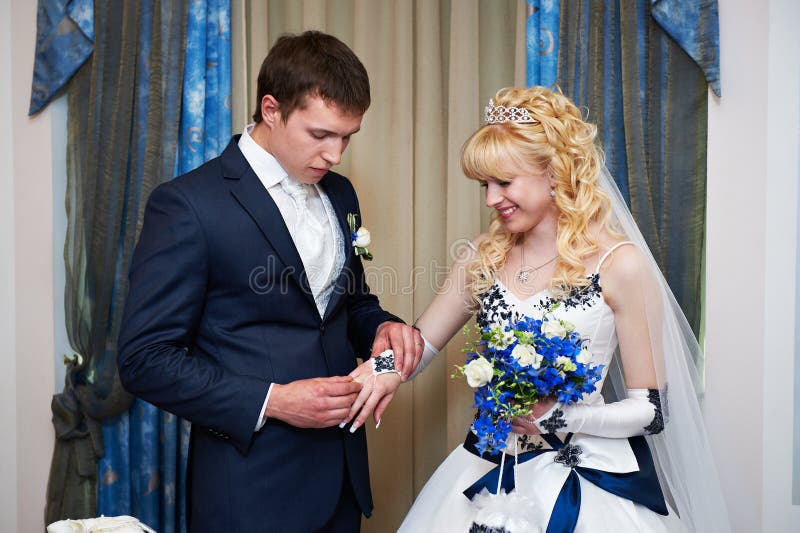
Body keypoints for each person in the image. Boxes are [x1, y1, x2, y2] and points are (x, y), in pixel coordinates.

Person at [345, 86, 730, 532]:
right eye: (484, 184)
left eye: (503, 183)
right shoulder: (480, 259)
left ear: (554, 173)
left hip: (585, 478)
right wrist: (377, 370)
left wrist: (561, 416)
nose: (491, 199)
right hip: (489, 463)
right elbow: (420, 345)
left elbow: (652, 411)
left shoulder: (619, 265)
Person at [117, 30, 422, 532]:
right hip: (251, 491)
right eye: (321, 135)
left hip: (342, 482)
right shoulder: (190, 205)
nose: (336, 155)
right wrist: (274, 400)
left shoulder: (340, 194)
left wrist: (381, 328)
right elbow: (144, 359)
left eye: (347, 137)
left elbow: (347, 304)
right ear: (272, 109)